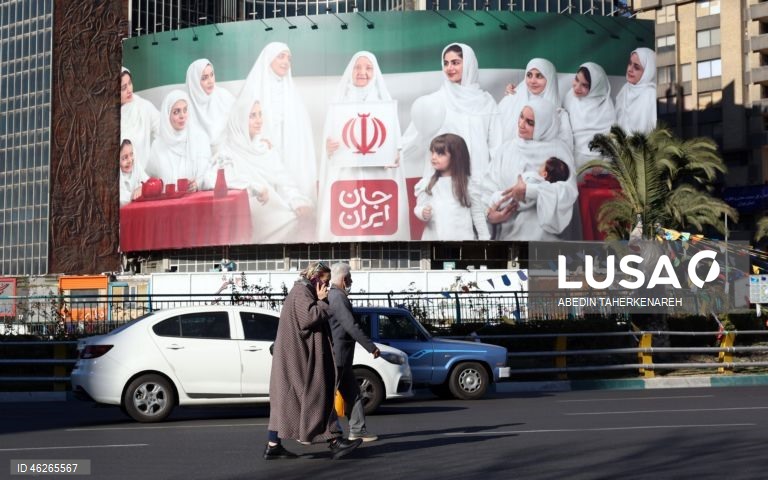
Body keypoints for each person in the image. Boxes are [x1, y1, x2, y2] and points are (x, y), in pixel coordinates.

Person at [265, 262, 363, 460]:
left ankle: (273, 445)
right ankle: (334, 441)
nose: (327, 286)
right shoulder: (302, 292)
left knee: (286, 404)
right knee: (317, 398)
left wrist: (319, 300)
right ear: (315, 278)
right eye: (325, 281)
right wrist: (323, 301)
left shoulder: (301, 291)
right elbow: (308, 318)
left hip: (295, 358)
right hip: (299, 360)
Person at [317, 51, 410, 242]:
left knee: (377, 232)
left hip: (377, 179)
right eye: (357, 67)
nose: (362, 72)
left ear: (375, 73)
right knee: (346, 231)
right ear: (350, 71)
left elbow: (396, 146)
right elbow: (328, 144)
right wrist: (329, 147)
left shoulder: (385, 105)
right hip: (346, 179)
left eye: (368, 68)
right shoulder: (338, 105)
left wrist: (394, 155)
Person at [216, 95, 314, 243]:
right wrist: (254, 187)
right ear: (240, 120)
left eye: (260, 114)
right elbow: (220, 180)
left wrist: (296, 200)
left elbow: (284, 180)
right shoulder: (227, 152)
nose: (259, 120)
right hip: (248, 215)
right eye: (252, 116)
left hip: (273, 210)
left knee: (305, 217)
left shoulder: (264, 148)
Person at [402, 43, 502, 183]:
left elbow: (497, 147)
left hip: (479, 181)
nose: (449, 68)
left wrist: (499, 180)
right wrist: (388, 156)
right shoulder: (435, 101)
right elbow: (412, 137)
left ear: (469, 64)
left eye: (455, 63)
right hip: (444, 181)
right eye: (446, 63)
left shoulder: (486, 102)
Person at [482, 97, 578, 241]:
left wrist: (531, 190)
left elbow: (568, 193)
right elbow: (488, 188)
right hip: (507, 228)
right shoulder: (507, 149)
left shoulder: (559, 151)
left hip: (543, 232)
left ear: (544, 125)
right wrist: (490, 215)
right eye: (521, 117)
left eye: (530, 123)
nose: (521, 124)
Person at [238, 42, 317, 202]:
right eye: (281, 56)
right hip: (261, 154)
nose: (286, 62)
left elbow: (302, 135)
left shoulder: (292, 93)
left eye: (289, 58)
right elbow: (240, 127)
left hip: (287, 153)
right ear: (269, 59)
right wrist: (259, 143)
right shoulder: (252, 88)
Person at [327, 263, 381, 442]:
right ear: (344, 279)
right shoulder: (337, 297)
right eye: (350, 277)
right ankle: (321, 432)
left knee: (353, 393)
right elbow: (350, 325)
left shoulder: (334, 295)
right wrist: (371, 347)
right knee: (329, 396)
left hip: (341, 356)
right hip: (339, 356)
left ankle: (357, 430)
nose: (351, 281)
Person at [413, 133, 490, 240]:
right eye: (432, 152)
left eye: (440, 153)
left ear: (455, 157)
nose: (433, 157)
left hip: (462, 238)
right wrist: (422, 212)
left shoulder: (467, 184)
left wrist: (484, 238)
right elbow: (419, 207)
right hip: (434, 237)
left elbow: (477, 213)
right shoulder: (428, 183)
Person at [145, 89, 215, 192]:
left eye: (185, 110)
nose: (182, 116)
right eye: (176, 112)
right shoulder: (158, 145)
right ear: (167, 115)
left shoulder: (200, 138)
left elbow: (210, 173)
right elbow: (150, 179)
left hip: (196, 199)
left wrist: (198, 184)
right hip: (168, 201)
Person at [498, 58, 573, 148]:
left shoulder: (559, 115)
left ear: (550, 79)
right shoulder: (511, 100)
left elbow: (564, 149)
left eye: (539, 76)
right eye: (529, 75)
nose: (532, 81)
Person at [562, 62, 616, 171]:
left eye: (584, 85)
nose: (577, 87)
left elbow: (613, 137)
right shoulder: (570, 97)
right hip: (573, 157)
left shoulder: (605, 105)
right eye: (576, 79)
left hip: (598, 162)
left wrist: (603, 162)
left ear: (596, 87)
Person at [185, 59, 236, 153]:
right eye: (204, 78)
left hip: (228, 153)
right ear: (194, 82)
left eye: (212, 75)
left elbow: (242, 123)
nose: (211, 81)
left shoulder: (224, 97)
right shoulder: (185, 108)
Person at [120, 68, 159, 171]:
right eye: (123, 88)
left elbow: (163, 131)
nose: (129, 90)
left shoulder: (144, 107)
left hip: (142, 175)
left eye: (130, 83)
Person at [615, 47, 657, 135]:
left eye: (636, 67)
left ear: (648, 71)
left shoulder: (651, 95)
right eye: (629, 63)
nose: (630, 69)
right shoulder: (625, 89)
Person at [119, 139, 147, 206]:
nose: (130, 160)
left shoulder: (136, 166)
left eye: (131, 154)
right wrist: (133, 194)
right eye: (124, 158)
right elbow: (121, 198)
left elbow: (148, 182)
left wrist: (142, 188)